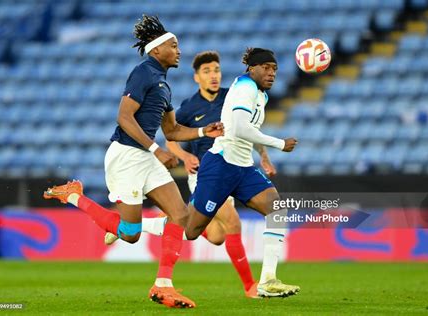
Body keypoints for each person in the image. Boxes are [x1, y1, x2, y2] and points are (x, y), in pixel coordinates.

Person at [43, 15, 223, 309]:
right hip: (127, 156)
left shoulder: (163, 84)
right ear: (156, 50)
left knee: (181, 216)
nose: (179, 50)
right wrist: (156, 149)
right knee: (130, 234)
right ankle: (73, 195)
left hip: (146, 156)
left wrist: (204, 130)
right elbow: (124, 117)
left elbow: (173, 131)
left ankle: (163, 285)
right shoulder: (143, 73)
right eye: (173, 45)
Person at [141, 51, 277, 298]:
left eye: (216, 70)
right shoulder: (188, 108)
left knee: (216, 236)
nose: (213, 76)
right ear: (196, 78)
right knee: (233, 221)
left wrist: (264, 155)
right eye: (207, 71)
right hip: (208, 172)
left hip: (234, 170)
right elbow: (171, 136)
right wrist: (185, 157)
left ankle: (145, 223)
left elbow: (249, 126)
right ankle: (250, 286)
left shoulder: (233, 94)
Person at [182, 47, 300, 297]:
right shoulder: (245, 87)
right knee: (191, 231)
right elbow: (239, 129)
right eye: (266, 68)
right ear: (252, 68)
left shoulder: (261, 95)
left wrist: (263, 156)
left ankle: (268, 280)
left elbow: (250, 132)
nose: (272, 73)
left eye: (275, 69)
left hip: (243, 168)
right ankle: (133, 226)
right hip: (220, 166)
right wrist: (279, 144)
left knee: (277, 209)